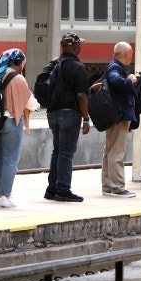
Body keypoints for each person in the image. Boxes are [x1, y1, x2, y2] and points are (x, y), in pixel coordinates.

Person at [43, 32, 91, 203]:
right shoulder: (78, 67)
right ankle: (63, 189)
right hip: (69, 113)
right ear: (75, 46)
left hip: (53, 113)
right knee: (66, 152)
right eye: (80, 45)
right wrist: (86, 118)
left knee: (57, 151)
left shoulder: (55, 63)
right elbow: (81, 96)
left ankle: (52, 188)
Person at [0, 48, 33, 208]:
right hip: (12, 121)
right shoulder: (18, 79)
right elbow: (31, 103)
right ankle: (6, 195)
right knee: (10, 160)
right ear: (18, 62)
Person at [101, 42, 139, 198]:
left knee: (109, 152)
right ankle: (117, 187)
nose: (132, 55)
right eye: (131, 53)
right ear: (125, 54)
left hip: (116, 115)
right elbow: (116, 81)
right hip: (118, 116)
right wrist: (129, 80)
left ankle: (108, 185)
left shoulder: (113, 66)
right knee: (116, 152)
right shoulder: (115, 68)